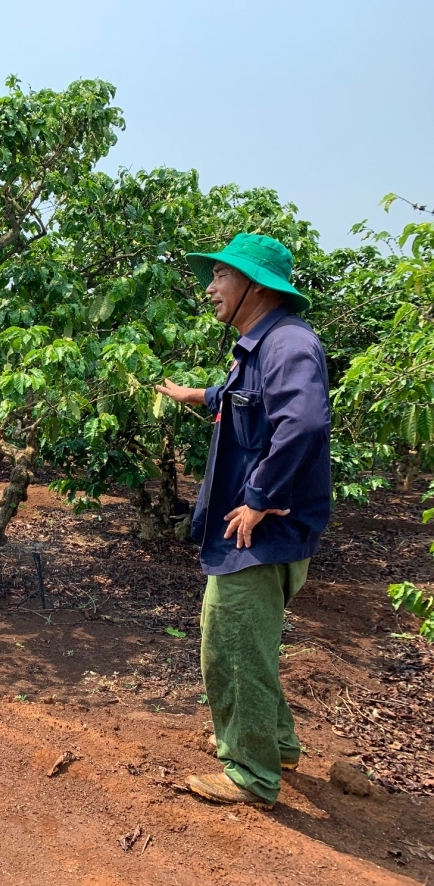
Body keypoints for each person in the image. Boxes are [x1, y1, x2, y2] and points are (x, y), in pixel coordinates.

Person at [156, 233, 331, 810]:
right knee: (250, 644)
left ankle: (251, 774)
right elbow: (244, 401)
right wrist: (195, 395)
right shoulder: (262, 347)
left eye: (221, 278)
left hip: (260, 534)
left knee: (230, 644)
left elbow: (302, 423)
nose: (210, 289)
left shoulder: (287, 344)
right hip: (262, 533)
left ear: (254, 286)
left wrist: (258, 496)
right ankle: (275, 744)